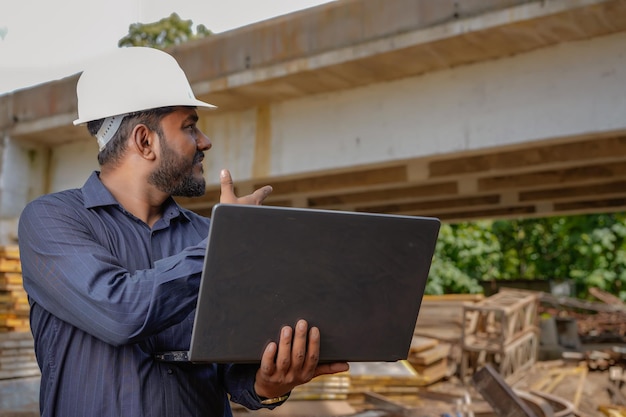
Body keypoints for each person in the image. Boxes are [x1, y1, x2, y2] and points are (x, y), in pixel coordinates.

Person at [17, 46, 349, 417]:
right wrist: (227, 244)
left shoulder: (205, 236)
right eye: (189, 126)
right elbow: (120, 312)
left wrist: (267, 383)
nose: (204, 141)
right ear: (145, 141)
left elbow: (230, 366)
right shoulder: (51, 220)